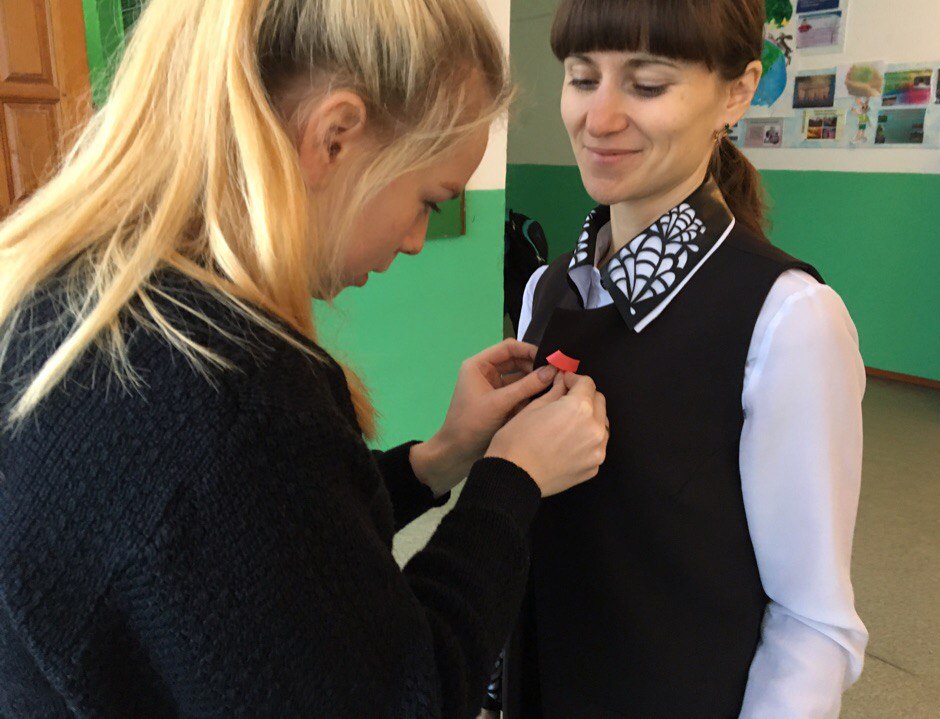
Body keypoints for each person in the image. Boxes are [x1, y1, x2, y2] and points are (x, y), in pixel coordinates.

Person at [0, 1, 611, 716]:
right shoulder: (232, 396)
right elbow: (404, 698)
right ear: (334, 136)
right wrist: (513, 478)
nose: (416, 240)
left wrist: (436, 461)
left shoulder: (67, 299)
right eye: (430, 200)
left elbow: (264, 564)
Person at [496, 0, 869, 717]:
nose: (599, 119)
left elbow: (813, 622)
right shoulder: (548, 287)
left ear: (736, 92)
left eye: (647, 85)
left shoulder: (787, 318)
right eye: (582, 78)